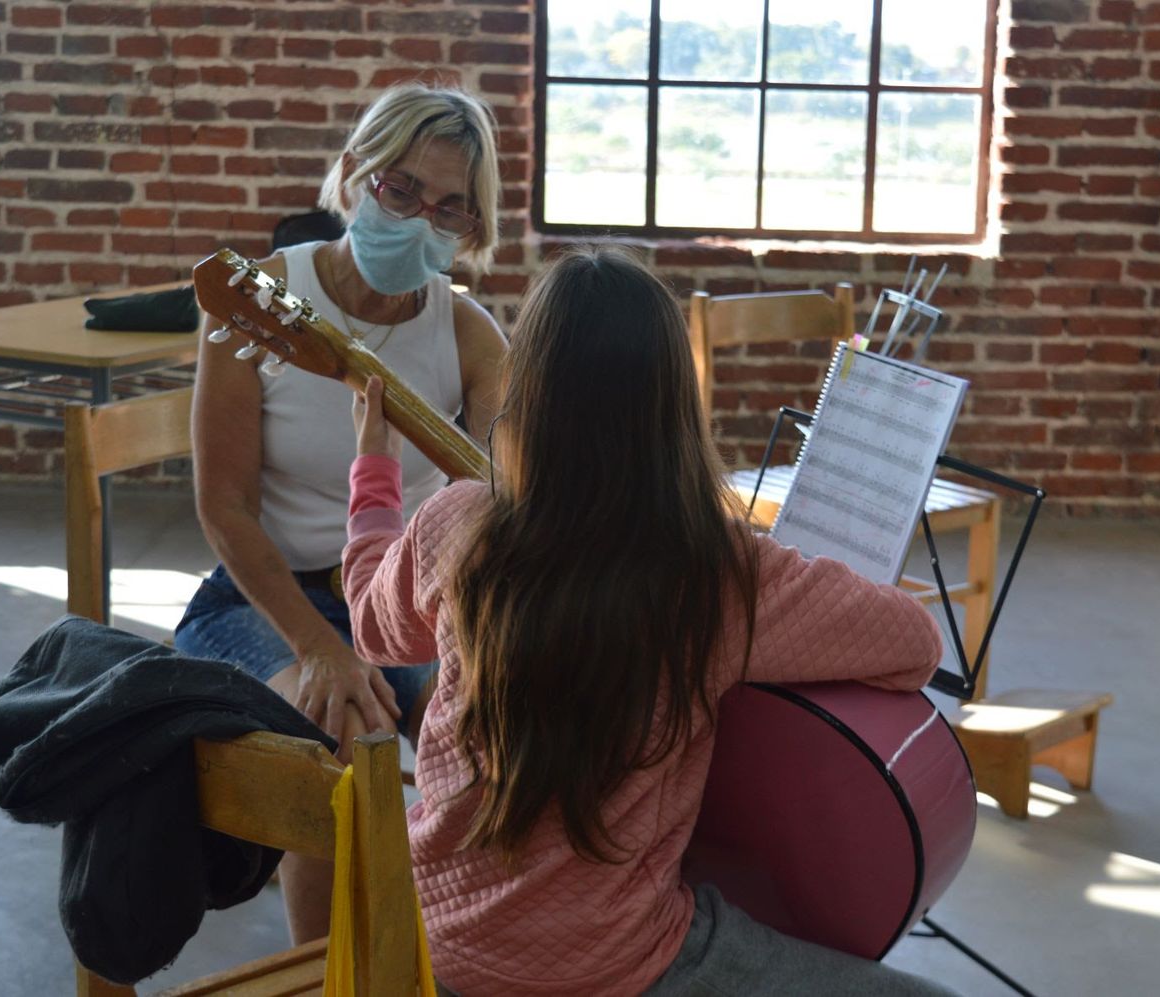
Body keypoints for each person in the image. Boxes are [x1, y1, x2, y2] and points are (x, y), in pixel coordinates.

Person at [341, 247, 960, 995]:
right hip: (615, 966)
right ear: (673, 405)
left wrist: (373, 473)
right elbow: (915, 643)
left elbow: (377, 630)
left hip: (434, 943)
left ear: (527, 391)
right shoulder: (719, 573)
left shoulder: (455, 524)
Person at [174, 81, 507, 943]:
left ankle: (459, 943)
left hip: (414, 597)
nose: (417, 219)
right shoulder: (258, 303)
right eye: (400, 189)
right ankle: (328, 967)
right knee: (337, 724)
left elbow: (515, 485)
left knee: (505, 711)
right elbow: (225, 506)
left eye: (448, 209)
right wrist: (319, 645)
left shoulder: (468, 331)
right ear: (355, 174)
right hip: (269, 598)